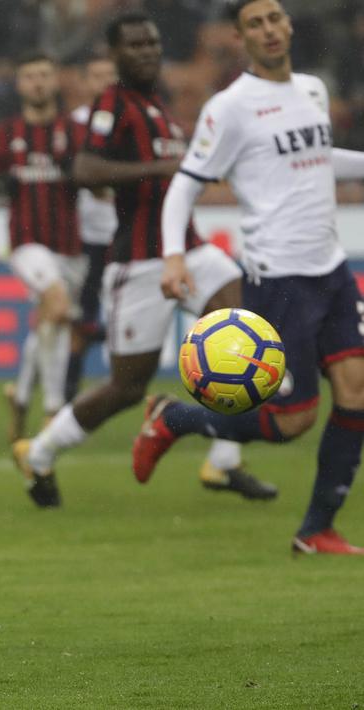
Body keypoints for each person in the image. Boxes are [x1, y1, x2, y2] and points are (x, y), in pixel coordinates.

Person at [11, 14, 277, 507]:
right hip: (140, 264)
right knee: (126, 387)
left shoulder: (159, 106)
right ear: (115, 55)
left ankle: (222, 461)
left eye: (152, 43)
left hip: (191, 250)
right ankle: (40, 453)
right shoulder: (114, 103)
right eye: (134, 45)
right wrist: (163, 167)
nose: (147, 51)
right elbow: (85, 169)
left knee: (246, 334)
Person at [133, 0, 364, 554]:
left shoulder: (311, 89)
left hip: (330, 268)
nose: (269, 30)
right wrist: (173, 256)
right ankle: (176, 418)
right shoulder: (230, 108)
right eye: (255, 24)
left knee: (356, 394)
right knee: (291, 422)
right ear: (240, 38)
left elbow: (316, 157)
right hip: (279, 278)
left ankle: (316, 530)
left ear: (288, 24)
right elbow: (185, 184)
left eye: (274, 18)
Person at [0, 52, 85, 447]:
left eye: (44, 75)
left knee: (51, 321)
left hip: (71, 247)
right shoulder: (5, 133)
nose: (38, 82)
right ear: (20, 84)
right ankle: (53, 409)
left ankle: (21, 395)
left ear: (55, 81)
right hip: (27, 243)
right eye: (30, 76)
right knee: (57, 306)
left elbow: (94, 181)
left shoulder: (73, 132)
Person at [64, 54, 119, 402]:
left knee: (121, 311)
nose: (105, 82)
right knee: (80, 315)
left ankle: (122, 383)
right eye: (97, 75)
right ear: (85, 82)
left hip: (125, 232)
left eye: (111, 75)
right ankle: (68, 386)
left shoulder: (130, 118)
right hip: (85, 235)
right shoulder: (73, 125)